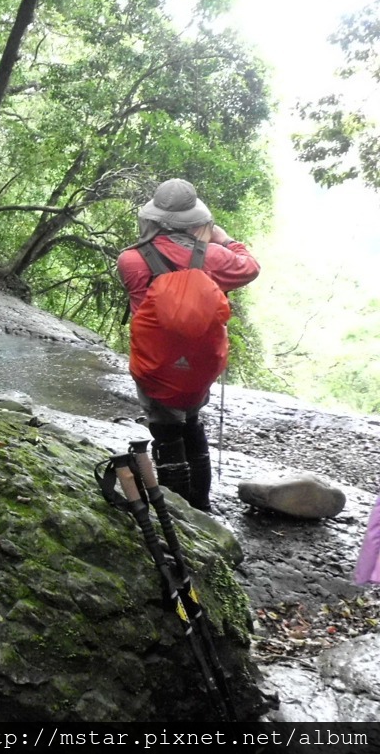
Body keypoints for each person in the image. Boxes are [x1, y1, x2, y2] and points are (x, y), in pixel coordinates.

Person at [117, 178, 261, 512]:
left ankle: (178, 511)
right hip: (199, 363)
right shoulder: (216, 258)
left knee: (166, 433)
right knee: (192, 422)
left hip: (153, 362)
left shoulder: (130, 260)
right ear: (196, 220)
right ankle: (201, 504)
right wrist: (225, 240)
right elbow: (251, 267)